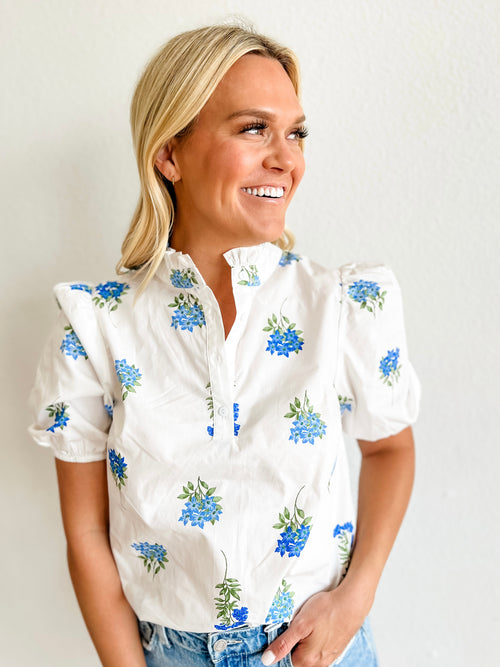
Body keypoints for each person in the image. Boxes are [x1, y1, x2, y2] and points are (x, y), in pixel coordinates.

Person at [29, 24, 420, 667]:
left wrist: (355, 598)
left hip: (321, 648)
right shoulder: (94, 327)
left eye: (296, 133)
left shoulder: (341, 305)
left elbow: (390, 448)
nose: (286, 159)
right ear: (169, 154)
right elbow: (88, 532)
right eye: (254, 128)